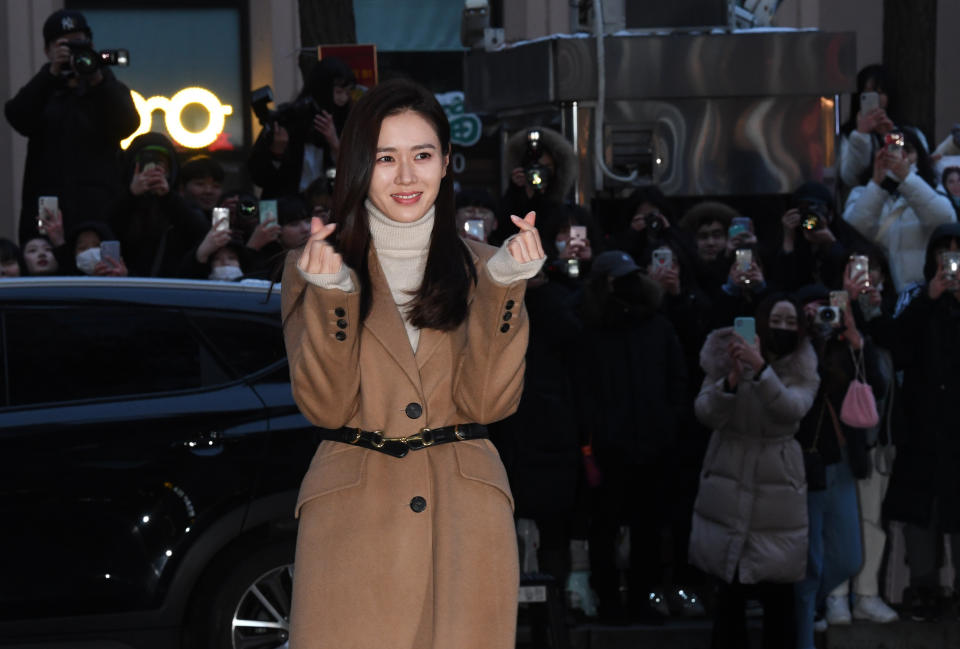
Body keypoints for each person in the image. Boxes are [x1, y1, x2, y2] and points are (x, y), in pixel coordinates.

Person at [280, 78, 545, 648]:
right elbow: (325, 406)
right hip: (352, 520)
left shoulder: (488, 268)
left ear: (447, 163)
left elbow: (488, 405)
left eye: (422, 155)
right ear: (356, 165)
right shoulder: (316, 265)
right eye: (385, 158)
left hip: (465, 523)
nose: (406, 176)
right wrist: (332, 294)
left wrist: (504, 287)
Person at [689, 294, 819, 649]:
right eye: (776, 319)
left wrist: (761, 370)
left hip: (778, 487)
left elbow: (792, 409)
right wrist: (731, 380)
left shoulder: (804, 365)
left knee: (779, 600)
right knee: (729, 599)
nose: (783, 328)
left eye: (792, 322)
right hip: (729, 476)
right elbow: (705, 412)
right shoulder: (726, 356)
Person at [575, 250, 687, 625]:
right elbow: (583, 389)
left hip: (652, 444)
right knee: (606, 528)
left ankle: (638, 603)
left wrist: (667, 425)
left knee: (647, 530)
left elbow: (677, 381)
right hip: (610, 447)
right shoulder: (592, 332)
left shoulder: (657, 326)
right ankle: (610, 603)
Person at [872, 223, 960, 621]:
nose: (951, 258)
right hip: (922, 426)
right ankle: (924, 585)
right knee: (920, 512)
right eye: (945, 250)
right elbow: (895, 342)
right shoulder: (916, 297)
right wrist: (931, 297)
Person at [792, 282, 886, 648]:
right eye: (812, 311)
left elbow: (876, 386)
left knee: (848, 557)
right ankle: (802, 628)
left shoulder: (849, 346)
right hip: (807, 461)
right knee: (810, 560)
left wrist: (855, 339)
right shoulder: (794, 349)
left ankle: (805, 607)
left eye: (826, 309)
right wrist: (810, 340)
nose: (822, 317)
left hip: (844, 459)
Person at [4, 9, 139, 243]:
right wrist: (51, 73)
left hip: (100, 211)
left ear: (91, 44)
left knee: (101, 267)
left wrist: (98, 79)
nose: (72, 50)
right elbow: (17, 116)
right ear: (48, 51)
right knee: (46, 268)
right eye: (63, 45)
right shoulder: (44, 92)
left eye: (79, 43)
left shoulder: (105, 88)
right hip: (48, 211)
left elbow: (128, 124)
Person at [843, 125, 956, 293]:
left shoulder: (933, 191)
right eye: (891, 150)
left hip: (923, 293)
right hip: (879, 293)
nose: (899, 156)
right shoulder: (862, 193)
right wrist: (877, 185)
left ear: (919, 156)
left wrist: (907, 178)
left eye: (907, 151)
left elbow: (945, 221)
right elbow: (852, 231)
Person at [249, 57, 355, 198]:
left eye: (348, 93)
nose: (343, 99)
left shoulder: (347, 123)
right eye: (338, 92)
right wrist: (276, 152)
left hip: (326, 206)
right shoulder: (289, 119)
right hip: (288, 209)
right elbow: (259, 176)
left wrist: (334, 142)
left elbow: (355, 176)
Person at [106, 132, 209, 277]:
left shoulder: (182, 206)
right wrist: (131, 196)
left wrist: (167, 197)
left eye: (160, 165)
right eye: (145, 163)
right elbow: (105, 232)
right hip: (124, 285)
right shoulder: (116, 200)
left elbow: (202, 237)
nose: (152, 170)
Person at [837, 64, 898, 192]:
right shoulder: (846, 135)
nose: (875, 98)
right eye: (867, 93)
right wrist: (861, 135)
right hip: (862, 202)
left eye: (880, 92)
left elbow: (902, 167)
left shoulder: (906, 131)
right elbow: (850, 178)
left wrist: (889, 135)